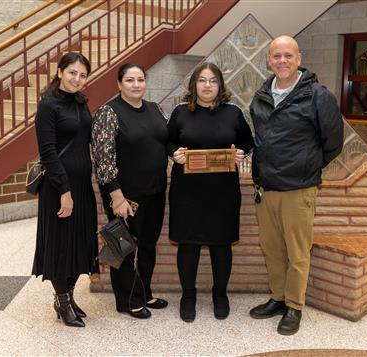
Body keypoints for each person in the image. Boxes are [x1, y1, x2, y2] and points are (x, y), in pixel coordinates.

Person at [249, 36, 344, 335]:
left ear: (299, 58)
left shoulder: (317, 95)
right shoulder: (261, 95)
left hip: (298, 190)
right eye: (276, 56)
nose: (282, 61)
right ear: (269, 60)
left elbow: (333, 143)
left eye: (288, 55)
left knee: (297, 252)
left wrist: (307, 165)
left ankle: (294, 306)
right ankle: (277, 298)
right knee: (272, 249)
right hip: (267, 189)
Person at [167, 62, 254, 322]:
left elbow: (247, 141)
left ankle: (220, 295)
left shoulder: (234, 112)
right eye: (202, 80)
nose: (207, 86)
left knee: (221, 244)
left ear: (220, 85)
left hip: (223, 192)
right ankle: (188, 296)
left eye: (213, 81)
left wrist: (241, 152)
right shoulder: (180, 112)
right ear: (194, 84)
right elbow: (168, 141)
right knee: (188, 244)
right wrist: (175, 153)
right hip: (187, 192)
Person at [92, 63, 169, 319]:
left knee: (147, 245)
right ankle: (127, 300)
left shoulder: (154, 108)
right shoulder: (108, 112)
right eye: (130, 80)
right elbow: (103, 160)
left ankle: (144, 293)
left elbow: (165, 141)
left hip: (155, 191)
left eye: (140, 79)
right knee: (124, 247)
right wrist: (116, 197)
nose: (136, 85)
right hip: (125, 196)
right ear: (119, 84)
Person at [32, 52, 98, 327]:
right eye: (72, 72)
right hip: (60, 187)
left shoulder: (81, 102)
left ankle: (69, 297)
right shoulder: (48, 106)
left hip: (82, 185)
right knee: (61, 244)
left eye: (83, 75)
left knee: (79, 241)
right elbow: (48, 152)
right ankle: (60, 300)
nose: (77, 79)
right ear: (60, 72)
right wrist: (64, 191)